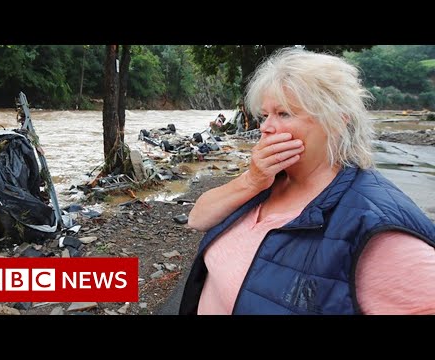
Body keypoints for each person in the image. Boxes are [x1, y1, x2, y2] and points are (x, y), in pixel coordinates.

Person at [179, 47, 435, 315]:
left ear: (336, 121)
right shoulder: (269, 178)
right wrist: (252, 181)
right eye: (265, 115)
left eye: (284, 113)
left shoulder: (376, 225)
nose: (265, 127)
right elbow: (197, 219)